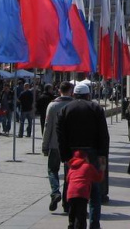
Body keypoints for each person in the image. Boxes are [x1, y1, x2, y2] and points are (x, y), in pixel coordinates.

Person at [57, 82, 110, 229]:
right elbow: (103, 133)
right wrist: (102, 154)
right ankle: (94, 224)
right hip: (92, 153)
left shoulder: (65, 109)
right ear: (88, 95)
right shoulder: (96, 108)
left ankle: (73, 222)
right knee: (94, 192)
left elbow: (60, 135)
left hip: (73, 155)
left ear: (74, 95)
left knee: (73, 187)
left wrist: (65, 156)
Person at [42, 81, 74, 212]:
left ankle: (55, 192)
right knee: (69, 174)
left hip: (54, 144)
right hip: (70, 146)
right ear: (70, 91)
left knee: (52, 170)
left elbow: (47, 126)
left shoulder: (52, 105)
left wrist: (45, 145)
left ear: (59, 90)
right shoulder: (73, 104)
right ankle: (67, 202)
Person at [66, 150, 105, 229]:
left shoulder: (71, 168)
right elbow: (98, 178)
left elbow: (67, 179)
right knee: (81, 216)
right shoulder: (88, 166)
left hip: (70, 194)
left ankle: (71, 226)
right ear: (85, 158)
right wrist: (102, 169)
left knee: (72, 215)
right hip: (82, 193)